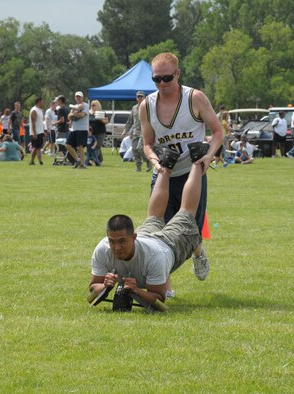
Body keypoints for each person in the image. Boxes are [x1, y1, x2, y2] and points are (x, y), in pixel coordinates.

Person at [140, 52, 223, 281]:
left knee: (190, 230)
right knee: (157, 230)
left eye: (167, 78)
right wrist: (155, 161)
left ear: (178, 74)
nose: (162, 84)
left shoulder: (194, 98)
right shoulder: (147, 106)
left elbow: (217, 132)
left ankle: (198, 253)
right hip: (165, 172)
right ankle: (162, 285)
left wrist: (208, 156)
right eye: (156, 79)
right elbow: (147, 144)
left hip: (192, 172)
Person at [88, 153, 207, 305]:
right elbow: (92, 289)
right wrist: (104, 286)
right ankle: (165, 166)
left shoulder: (154, 257)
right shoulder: (103, 248)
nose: (116, 247)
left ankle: (197, 160)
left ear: (133, 238)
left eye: (122, 241)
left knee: (185, 214)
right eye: (112, 241)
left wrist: (137, 290)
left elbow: (160, 298)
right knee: (154, 217)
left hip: (167, 246)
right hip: (147, 235)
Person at [124, 92, 151, 172]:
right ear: (136, 98)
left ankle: (148, 161)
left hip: (144, 131)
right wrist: (126, 130)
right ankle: (138, 167)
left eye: (141, 97)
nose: (139, 98)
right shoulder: (134, 108)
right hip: (135, 131)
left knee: (140, 148)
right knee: (134, 149)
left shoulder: (148, 107)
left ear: (144, 98)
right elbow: (130, 120)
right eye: (138, 97)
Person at [66, 91, 89, 169]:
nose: (78, 98)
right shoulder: (74, 106)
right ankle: (78, 160)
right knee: (67, 145)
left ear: (82, 98)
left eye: (79, 96)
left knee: (80, 147)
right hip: (73, 129)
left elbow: (82, 115)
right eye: (76, 96)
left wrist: (73, 114)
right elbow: (68, 117)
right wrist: (72, 114)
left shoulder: (86, 105)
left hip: (82, 129)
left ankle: (82, 164)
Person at [28, 97, 45, 165]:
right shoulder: (34, 110)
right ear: (38, 102)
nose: (42, 103)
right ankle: (40, 161)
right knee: (37, 147)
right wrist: (34, 133)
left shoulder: (40, 110)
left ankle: (31, 161)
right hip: (36, 132)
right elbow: (33, 122)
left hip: (40, 131)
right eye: (42, 102)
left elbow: (40, 122)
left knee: (36, 147)